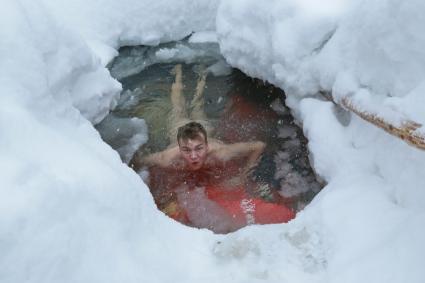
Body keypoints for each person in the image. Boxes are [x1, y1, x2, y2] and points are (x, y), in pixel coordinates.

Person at [131, 64, 266, 187]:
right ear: (179, 148)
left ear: (207, 146)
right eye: (187, 150)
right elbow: (138, 162)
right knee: (177, 106)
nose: (194, 156)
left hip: (202, 128)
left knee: (197, 104)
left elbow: (258, 146)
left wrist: (242, 178)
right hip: (179, 127)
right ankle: (178, 74)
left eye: (199, 148)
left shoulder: (221, 152)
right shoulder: (167, 158)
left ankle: (202, 76)